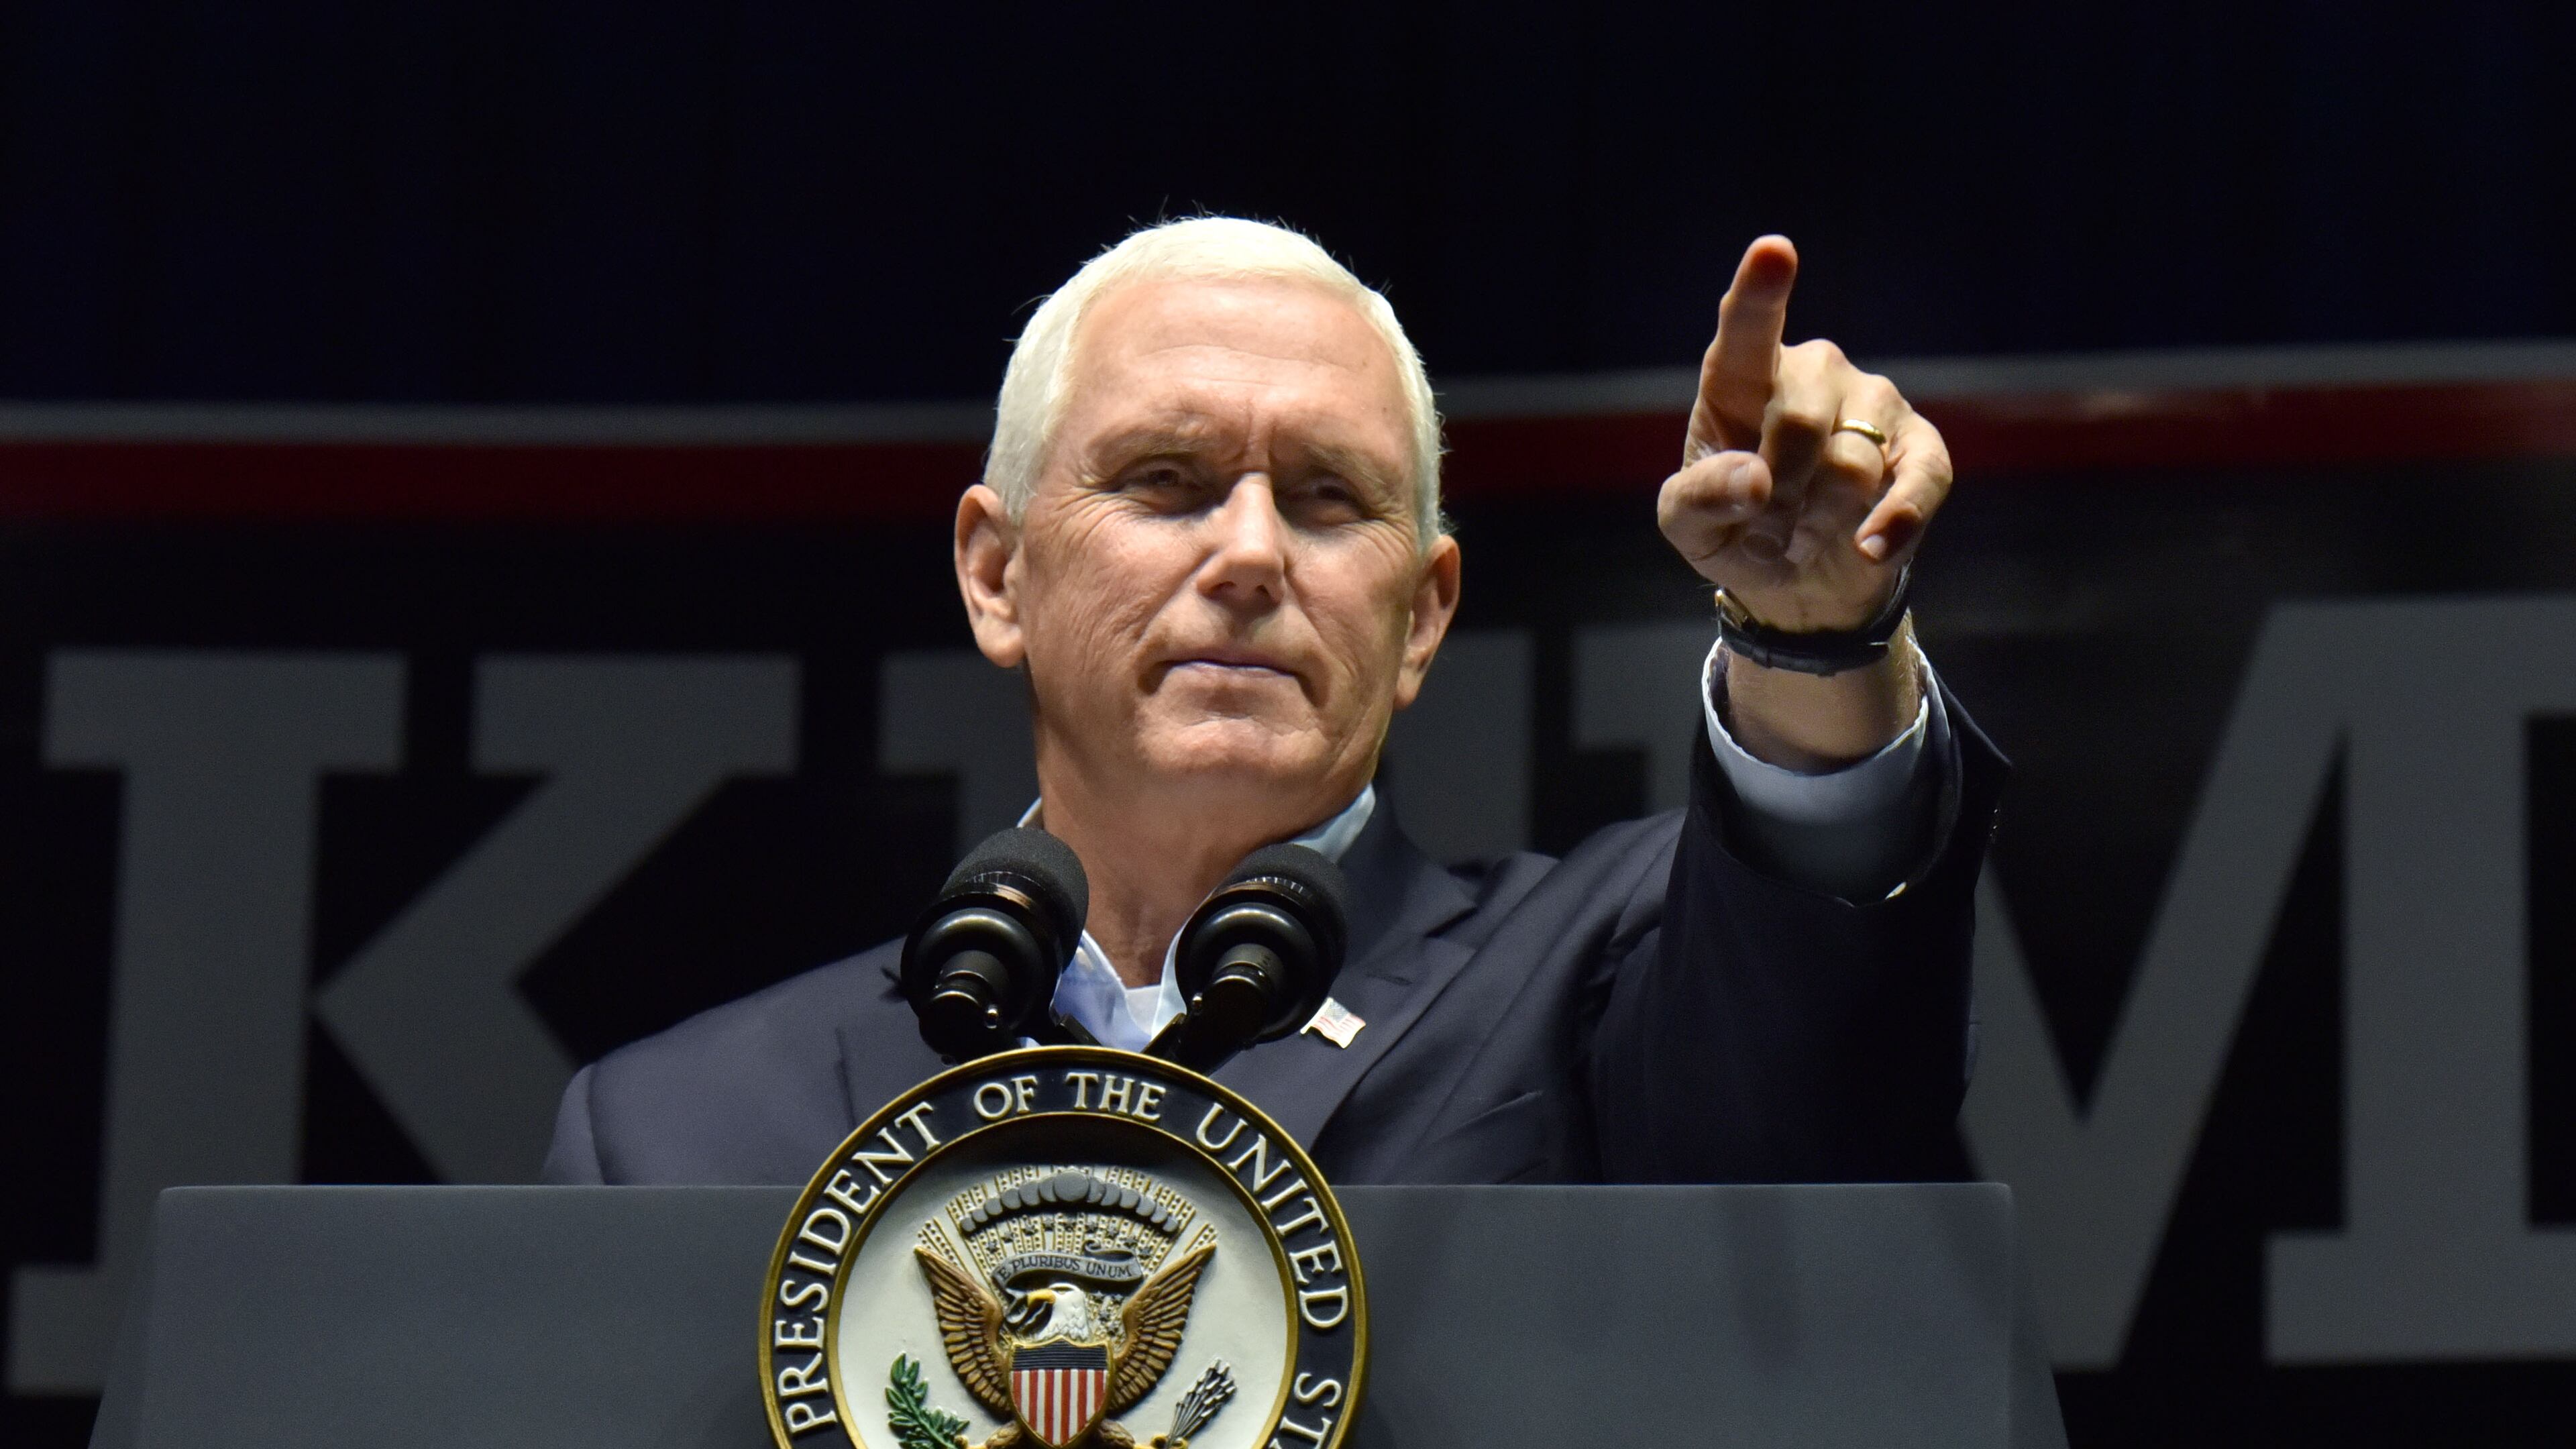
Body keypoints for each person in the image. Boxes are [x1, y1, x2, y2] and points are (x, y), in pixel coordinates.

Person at [542, 217, 2004, 1187]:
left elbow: (1818, 1039)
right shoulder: (680, 1136)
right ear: (997, 577)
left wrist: (1816, 640)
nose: (1247, 556)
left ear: (1423, 612)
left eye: (1324, 501)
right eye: (1164, 482)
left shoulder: (1606, 984)